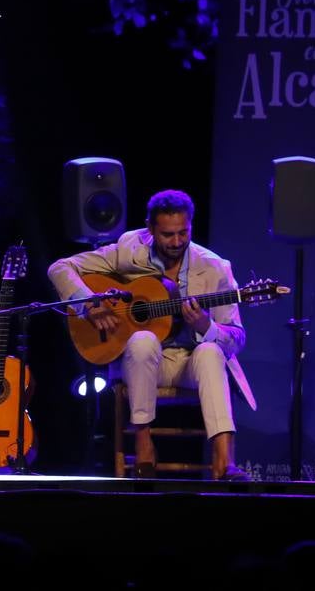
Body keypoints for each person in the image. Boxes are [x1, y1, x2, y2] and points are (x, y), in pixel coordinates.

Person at [47, 189, 250, 480]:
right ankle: (144, 446)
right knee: (143, 340)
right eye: (168, 235)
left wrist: (206, 326)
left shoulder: (215, 267)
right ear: (150, 228)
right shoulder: (129, 249)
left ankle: (224, 462)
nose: (177, 242)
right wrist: (89, 303)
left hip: (190, 363)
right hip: (142, 363)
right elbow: (60, 267)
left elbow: (237, 339)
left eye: (183, 233)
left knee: (210, 351)